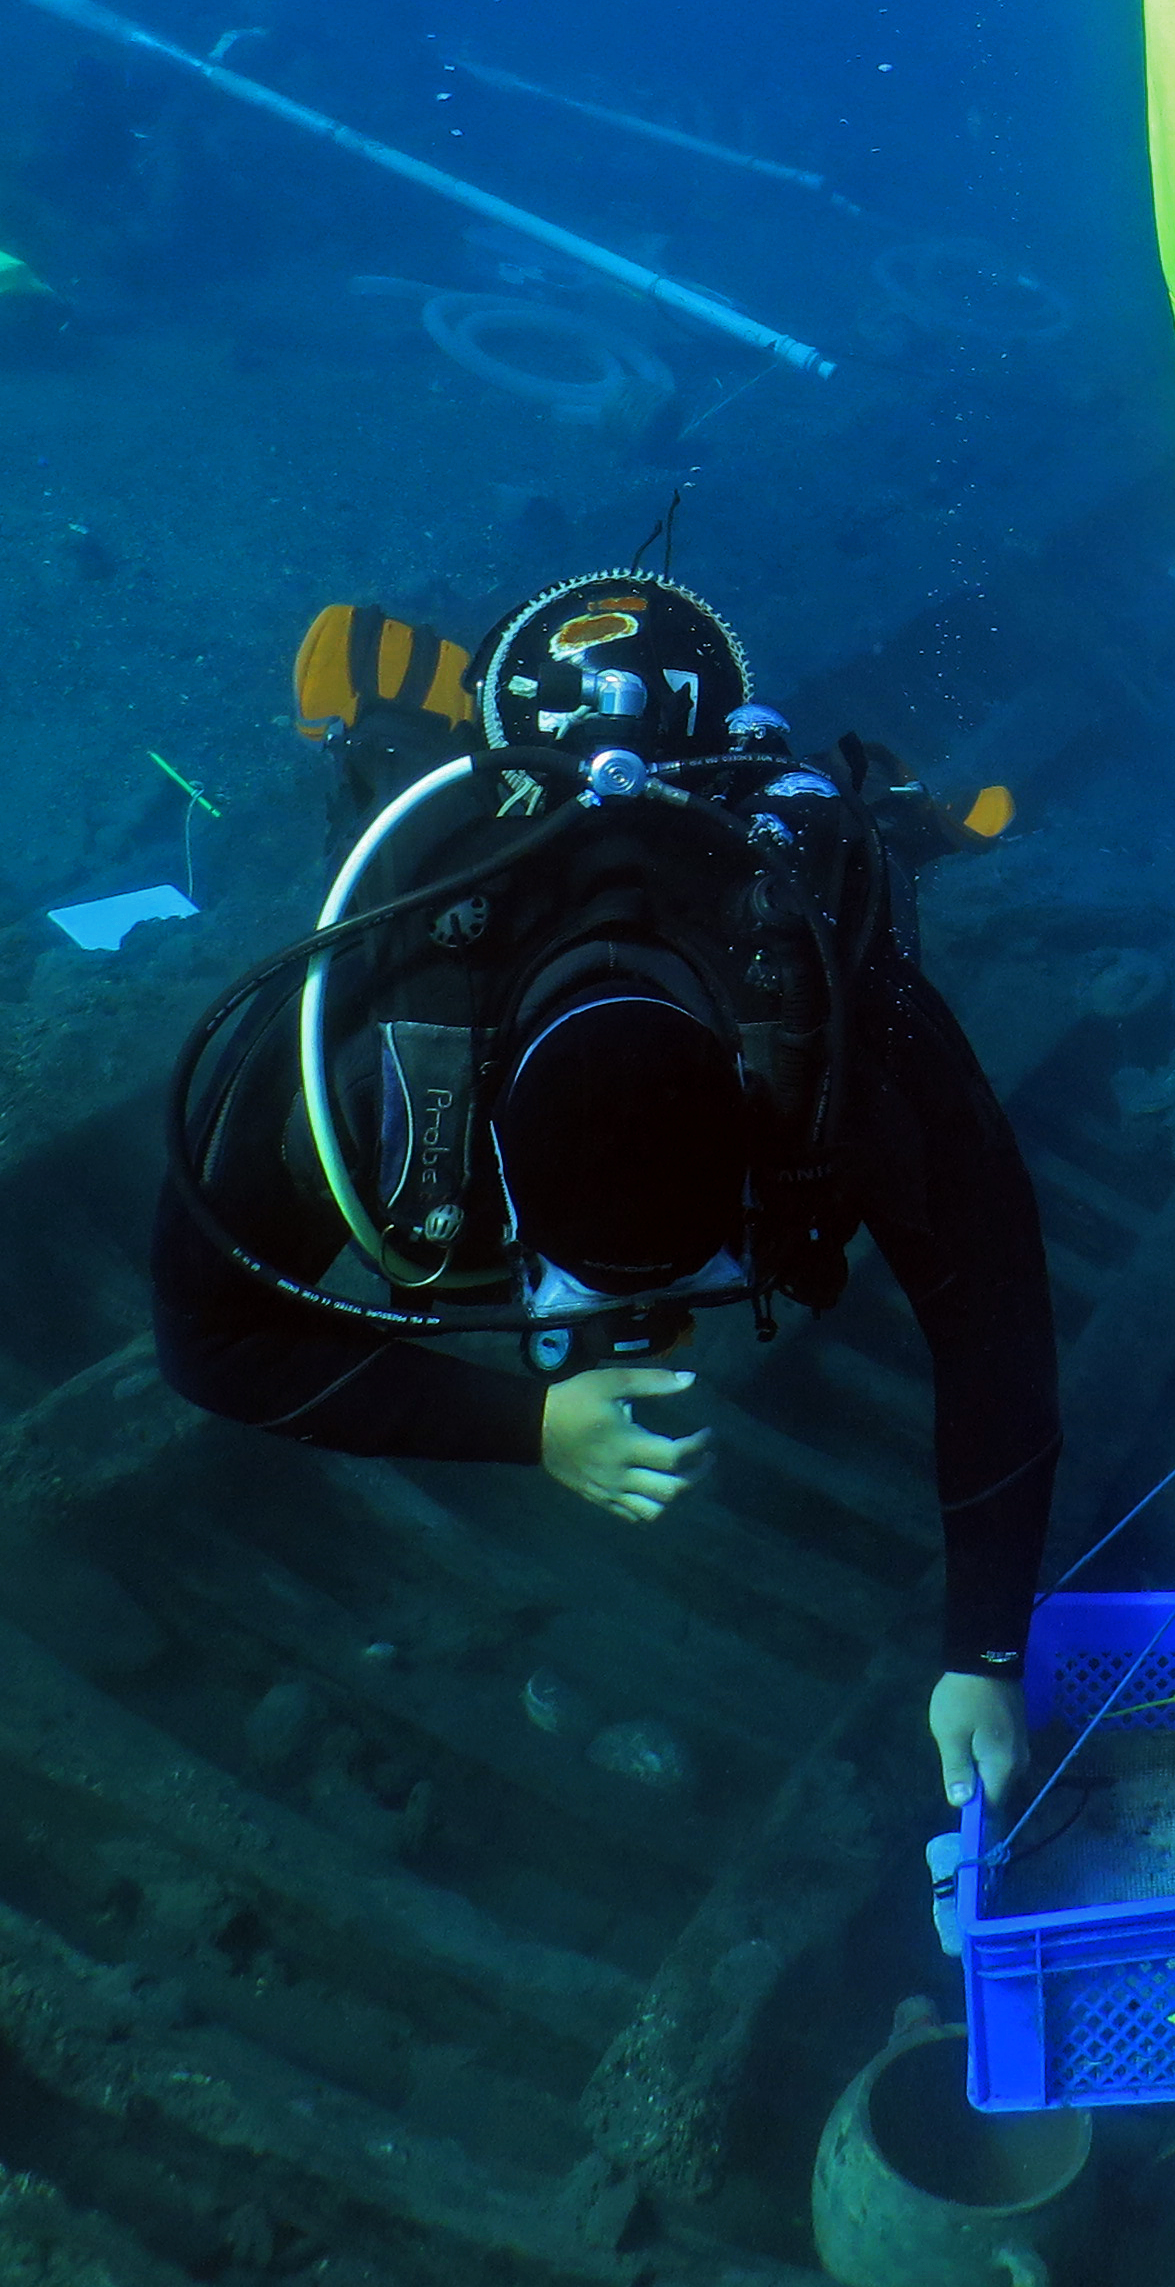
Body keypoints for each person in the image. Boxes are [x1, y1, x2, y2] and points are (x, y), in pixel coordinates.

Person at [155, 571, 1055, 1811]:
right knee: (381, 798)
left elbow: (997, 1323)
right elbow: (203, 1339)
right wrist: (525, 1426)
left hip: (725, 808)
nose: (646, 1320)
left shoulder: (843, 1023)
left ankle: (876, 810)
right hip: (498, 826)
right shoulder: (374, 1036)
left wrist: (985, 1653)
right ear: (487, 1163)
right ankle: (413, 728)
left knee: (836, 856)